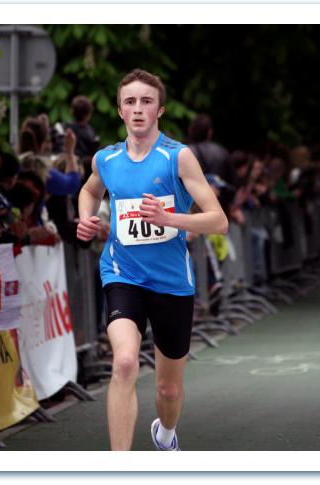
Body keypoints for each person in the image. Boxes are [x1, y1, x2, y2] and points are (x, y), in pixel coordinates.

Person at [76, 69, 228, 450]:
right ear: (120, 111)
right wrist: (86, 218)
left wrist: (170, 219)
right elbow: (89, 191)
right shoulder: (106, 159)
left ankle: (166, 434)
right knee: (125, 362)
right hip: (122, 273)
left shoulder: (178, 157)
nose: (138, 109)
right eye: (130, 102)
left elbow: (219, 221)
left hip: (171, 281)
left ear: (159, 109)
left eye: (146, 101)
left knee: (168, 389)